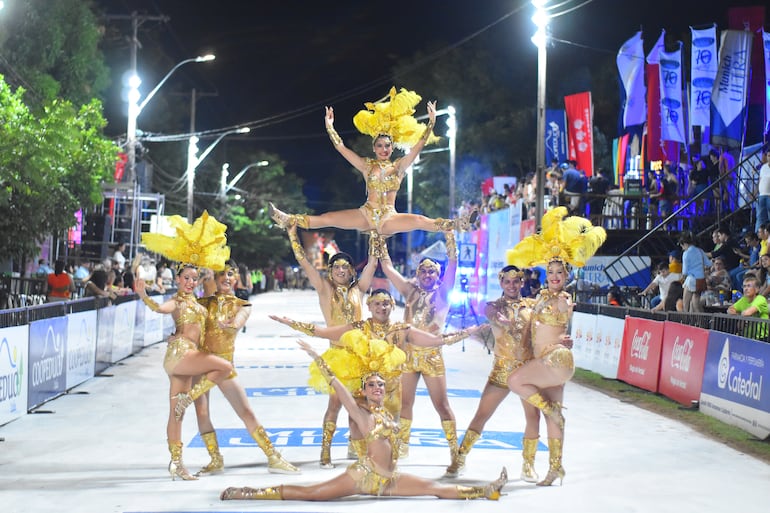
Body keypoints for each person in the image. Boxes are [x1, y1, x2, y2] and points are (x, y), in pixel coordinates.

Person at [219, 340, 507, 502]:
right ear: (364, 391)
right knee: (312, 494)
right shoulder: (362, 414)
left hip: (389, 480)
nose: (378, 389)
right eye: (372, 386)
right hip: (363, 476)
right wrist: (320, 360)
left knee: (433, 488)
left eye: (381, 385)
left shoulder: (387, 414)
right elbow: (341, 391)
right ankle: (247, 492)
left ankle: (485, 490)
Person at [270, 289, 486, 458]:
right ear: (369, 306)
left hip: (391, 390)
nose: (382, 307)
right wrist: (290, 323)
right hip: (364, 388)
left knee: (386, 437)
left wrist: (466, 333)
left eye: (386, 304)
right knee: (356, 423)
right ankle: (355, 452)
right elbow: (322, 332)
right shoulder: (359, 327)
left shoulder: (402, 329)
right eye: (377, 304)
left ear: (392, 306)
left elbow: (436, 341)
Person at [268, 88, 477, 238]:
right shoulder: (366, 165)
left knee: (420, 221)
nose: (384, 150)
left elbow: (417, 147)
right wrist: (330, 126)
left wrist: (431, 123)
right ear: (374, 148)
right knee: (328, 217)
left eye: (387, 146)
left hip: (389, 218)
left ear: (392, 148)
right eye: (380, 146)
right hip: (366, 214)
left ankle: (460, 223)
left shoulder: (400, 166)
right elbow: (341, 148)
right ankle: (287, 219)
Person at [505, 206, 606, 486]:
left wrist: (560, 300)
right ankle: (554, 468)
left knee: (514, 382)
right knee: (552, 415)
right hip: (548, 363)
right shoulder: (541, 297)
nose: (554, 276)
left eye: (559, 272)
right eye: (550, 271)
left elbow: (563, 307)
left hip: (555, 359)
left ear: (566, 274)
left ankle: (547, 422)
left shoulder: (562, 298)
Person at [137, 211, 238, 481]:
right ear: (179, 279)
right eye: (186, 279)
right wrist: (144, 295)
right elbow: (161, 308)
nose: (190, 282)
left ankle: (176, 463)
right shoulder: (178, 301)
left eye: (194, 279)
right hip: (182, 354)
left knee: (179, 413)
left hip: (187, 358)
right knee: (225, 366)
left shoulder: (197, 302)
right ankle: (189, 398)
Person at [192, 260, 299, 476]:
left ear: (237, 278)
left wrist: (228, 325)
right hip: (200, 363)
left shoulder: (243, 305)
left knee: (246, 412)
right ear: (215, 277)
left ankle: (273, 457)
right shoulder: (202, 303)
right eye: (222, 274)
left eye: (231, 274)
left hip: (223, 366)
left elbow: (235, 325)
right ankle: (215, 459)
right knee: (202, 413)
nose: (227, 278)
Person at [285, 223, 377, 468]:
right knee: (335, 404)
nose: (340, 271)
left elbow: (373, 264)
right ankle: (325, 450)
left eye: (345, 267)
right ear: (330, 270)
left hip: (361, 356)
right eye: (336, 267)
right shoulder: (325, 289)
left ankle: (355, 447)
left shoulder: (359, 289)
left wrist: (377, 234)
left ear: (351, 272)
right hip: (337, 356)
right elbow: (304, 261)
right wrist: (292, 234)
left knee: (359, 405)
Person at [445, 265, 544, 481]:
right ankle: (460, 458)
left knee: (533, 416)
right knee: (482, 415)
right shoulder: (492, 306)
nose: (511, 285)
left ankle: (529, 464)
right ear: (501, 283)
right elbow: (493, 317)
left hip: (526, 373)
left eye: (515, 281)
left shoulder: (532, 307)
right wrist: (504, 321)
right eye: (507, 282)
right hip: (501, 371)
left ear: (522, 282)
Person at [379, 233, 458, 461]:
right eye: (422, 271)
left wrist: (451, 238)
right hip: (408, 356)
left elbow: (453, 264)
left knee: (442, 405)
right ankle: (402, 445)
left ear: (438, 275)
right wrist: (379, 239)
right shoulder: (409, 291)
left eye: (431, 271)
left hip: (431, 356)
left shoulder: (443, 294)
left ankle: (455, 451)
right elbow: (387, 268)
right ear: (417, 274)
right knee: (405, 403)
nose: (427, 275)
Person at [727, 274, 769, 339]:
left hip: (761, 338)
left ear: (757, 289)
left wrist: (739, 315)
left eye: (749, 286)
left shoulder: (760, 299)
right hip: (747, 337)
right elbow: (730, 309)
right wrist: (739, 314)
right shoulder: (743, 299)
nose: (746, 289)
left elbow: (747, 313)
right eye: (744, 286)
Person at [679, 232, 710, 313]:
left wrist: (681, 278)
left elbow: (685, 271)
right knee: (695, 304)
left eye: (682, 246)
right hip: (701, 279)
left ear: (685, 243)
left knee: (686, 304)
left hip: (691, 279)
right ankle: (701, 322)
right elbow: (709, 263)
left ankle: (685, 321)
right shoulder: (700, 251)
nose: (682, 248)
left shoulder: (686, 253)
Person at [756, 148, 770, 233]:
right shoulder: (764, 167)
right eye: (768, 156)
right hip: (762, 195)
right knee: (760, 218)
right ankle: (759, 237)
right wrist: (756, 192)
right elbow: (760, 180)